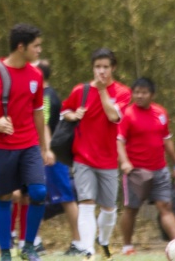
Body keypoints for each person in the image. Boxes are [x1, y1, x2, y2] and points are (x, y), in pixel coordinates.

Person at [0, 23, 53, 261]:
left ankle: (28, 247)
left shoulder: (36, 75)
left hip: (29, 146)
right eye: (36, 46)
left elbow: (37, 111)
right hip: (0, 147)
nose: (39, 50)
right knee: (4, 197)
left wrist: (44, 147)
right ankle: (5, 251)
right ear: (20, 46)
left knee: (38, 192)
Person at [60, 48, 131, 261]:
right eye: (97, 67)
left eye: (106, 67)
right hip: (82, 157)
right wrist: (73, 115)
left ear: (113, 68)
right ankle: (88, 251)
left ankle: (104, 241)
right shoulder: (79, 91)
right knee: (86, 203)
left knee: (109, 210)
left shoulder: (122, 92)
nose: (101, 71)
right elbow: (64, 111)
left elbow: (113, 116)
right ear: (92, 67)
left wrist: (102, 91)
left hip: (108, 159)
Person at [117, 77, 175, 255]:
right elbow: (119, 141)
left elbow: (167, 140)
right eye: (136, 92)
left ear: (152, 94)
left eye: (144, 92)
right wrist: (124, 162)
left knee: (165, 207)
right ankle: (127, 246)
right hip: (136, 172)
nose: (139, 95)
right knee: (131, 209)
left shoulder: (161, 113)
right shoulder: (128, 115)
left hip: (160, 169)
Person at [32, 59, 84, 256]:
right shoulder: (47, 94)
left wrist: (46, 150)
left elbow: (44, 125)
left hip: (51, 156)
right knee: (33, 196)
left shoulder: (45, 97)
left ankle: (80, 243)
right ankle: (34, 241)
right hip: (45, 154)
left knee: (66, 198)